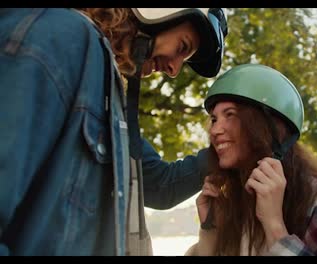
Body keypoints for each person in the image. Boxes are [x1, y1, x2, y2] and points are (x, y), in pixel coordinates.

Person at [0, 8, 228, 255]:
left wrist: (230, 150)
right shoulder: (61, 37)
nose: (174, 69)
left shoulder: (107, 97)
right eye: (182, 47)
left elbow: (160, 185)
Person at [185, 64, 317, 256]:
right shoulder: (231, 204)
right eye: (214, 119)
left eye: (230, 115)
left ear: (269, 127)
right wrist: (211, 231)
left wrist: (274, 224)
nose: (215, 130)